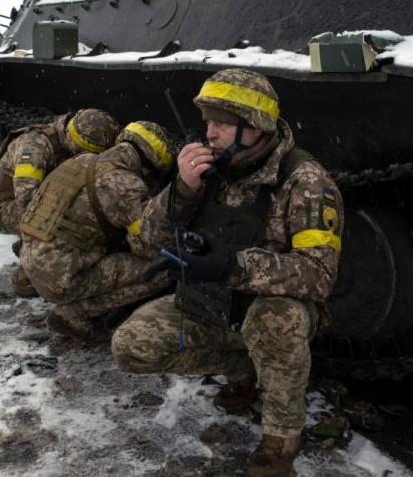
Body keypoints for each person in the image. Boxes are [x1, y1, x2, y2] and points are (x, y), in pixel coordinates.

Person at [111, 68, 344, 477]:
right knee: (131, 346)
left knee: (275, 318)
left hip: (272, 311)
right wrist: (181, 190)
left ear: (254, 128)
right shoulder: (212, 169)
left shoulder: (305, 182)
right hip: (215, 305)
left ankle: (282, 436)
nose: (210, 133)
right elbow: (147, 240)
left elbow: (318, 275)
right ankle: (245, 370)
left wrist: (233, 265)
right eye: (207, 122)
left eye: (221, 123)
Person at [18, 120, 177, 342]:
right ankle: (71, 315)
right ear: (148, 166)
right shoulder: (125, 185)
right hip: (60, 277)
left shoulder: (81, 160)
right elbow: (147, 248)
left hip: (31, 262)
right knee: (160, 271)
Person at [0, 108, 120, 296]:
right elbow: (28, 203)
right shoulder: (35, 148)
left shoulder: (64, 137)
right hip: (6, 206)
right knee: (66, 219)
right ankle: (31, 267)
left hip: (33, 199)